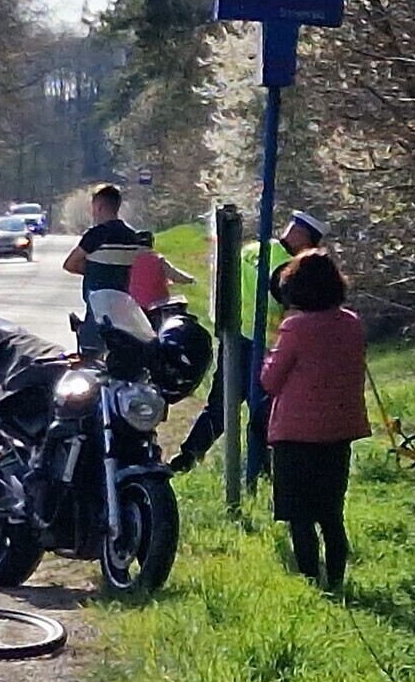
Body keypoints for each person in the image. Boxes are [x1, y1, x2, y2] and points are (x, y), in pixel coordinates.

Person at [170, 209, 327, 473]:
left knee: (220, 406)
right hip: (263, 346)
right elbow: (294, 308)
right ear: (301, 235)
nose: (310, 250)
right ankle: (259, 470)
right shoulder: (289, 268)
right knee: (261, 412)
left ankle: (187, 457)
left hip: (234, 336)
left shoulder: (252, 249)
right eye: (312, 242)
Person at [260, 249, 369, 591]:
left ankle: (311, 582)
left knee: (300, 516)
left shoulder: (295, 328)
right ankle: (336, 581)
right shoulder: (351, 324)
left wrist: (269, 354)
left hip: (296, 434)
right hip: (339, 430)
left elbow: (270, 380)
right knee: (332, 514)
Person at [62, 184, 142, 350]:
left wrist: (92, 270)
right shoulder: (132, 236)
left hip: (97, 307)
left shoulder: (96, 235)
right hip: (123, 308)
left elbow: (69, 264)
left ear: (99, 207)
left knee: (91, 353)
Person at [128, 229, 195, 317]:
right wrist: (190, 279)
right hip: (157, 303)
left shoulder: (130, 260)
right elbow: (174, 275)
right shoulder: (157, 259)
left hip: (135, 305)